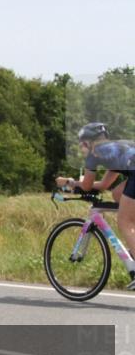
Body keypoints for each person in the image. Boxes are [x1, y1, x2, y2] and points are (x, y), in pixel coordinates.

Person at [56, 122, 135, 290]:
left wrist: (69, 182)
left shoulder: (95, 154)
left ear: (87, 142)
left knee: (124, 223)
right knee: (117, 194)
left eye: (81, 144)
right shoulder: (116, 149)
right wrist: (77, 183)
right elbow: (104, 185)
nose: (82, 148)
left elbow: (86, 186)